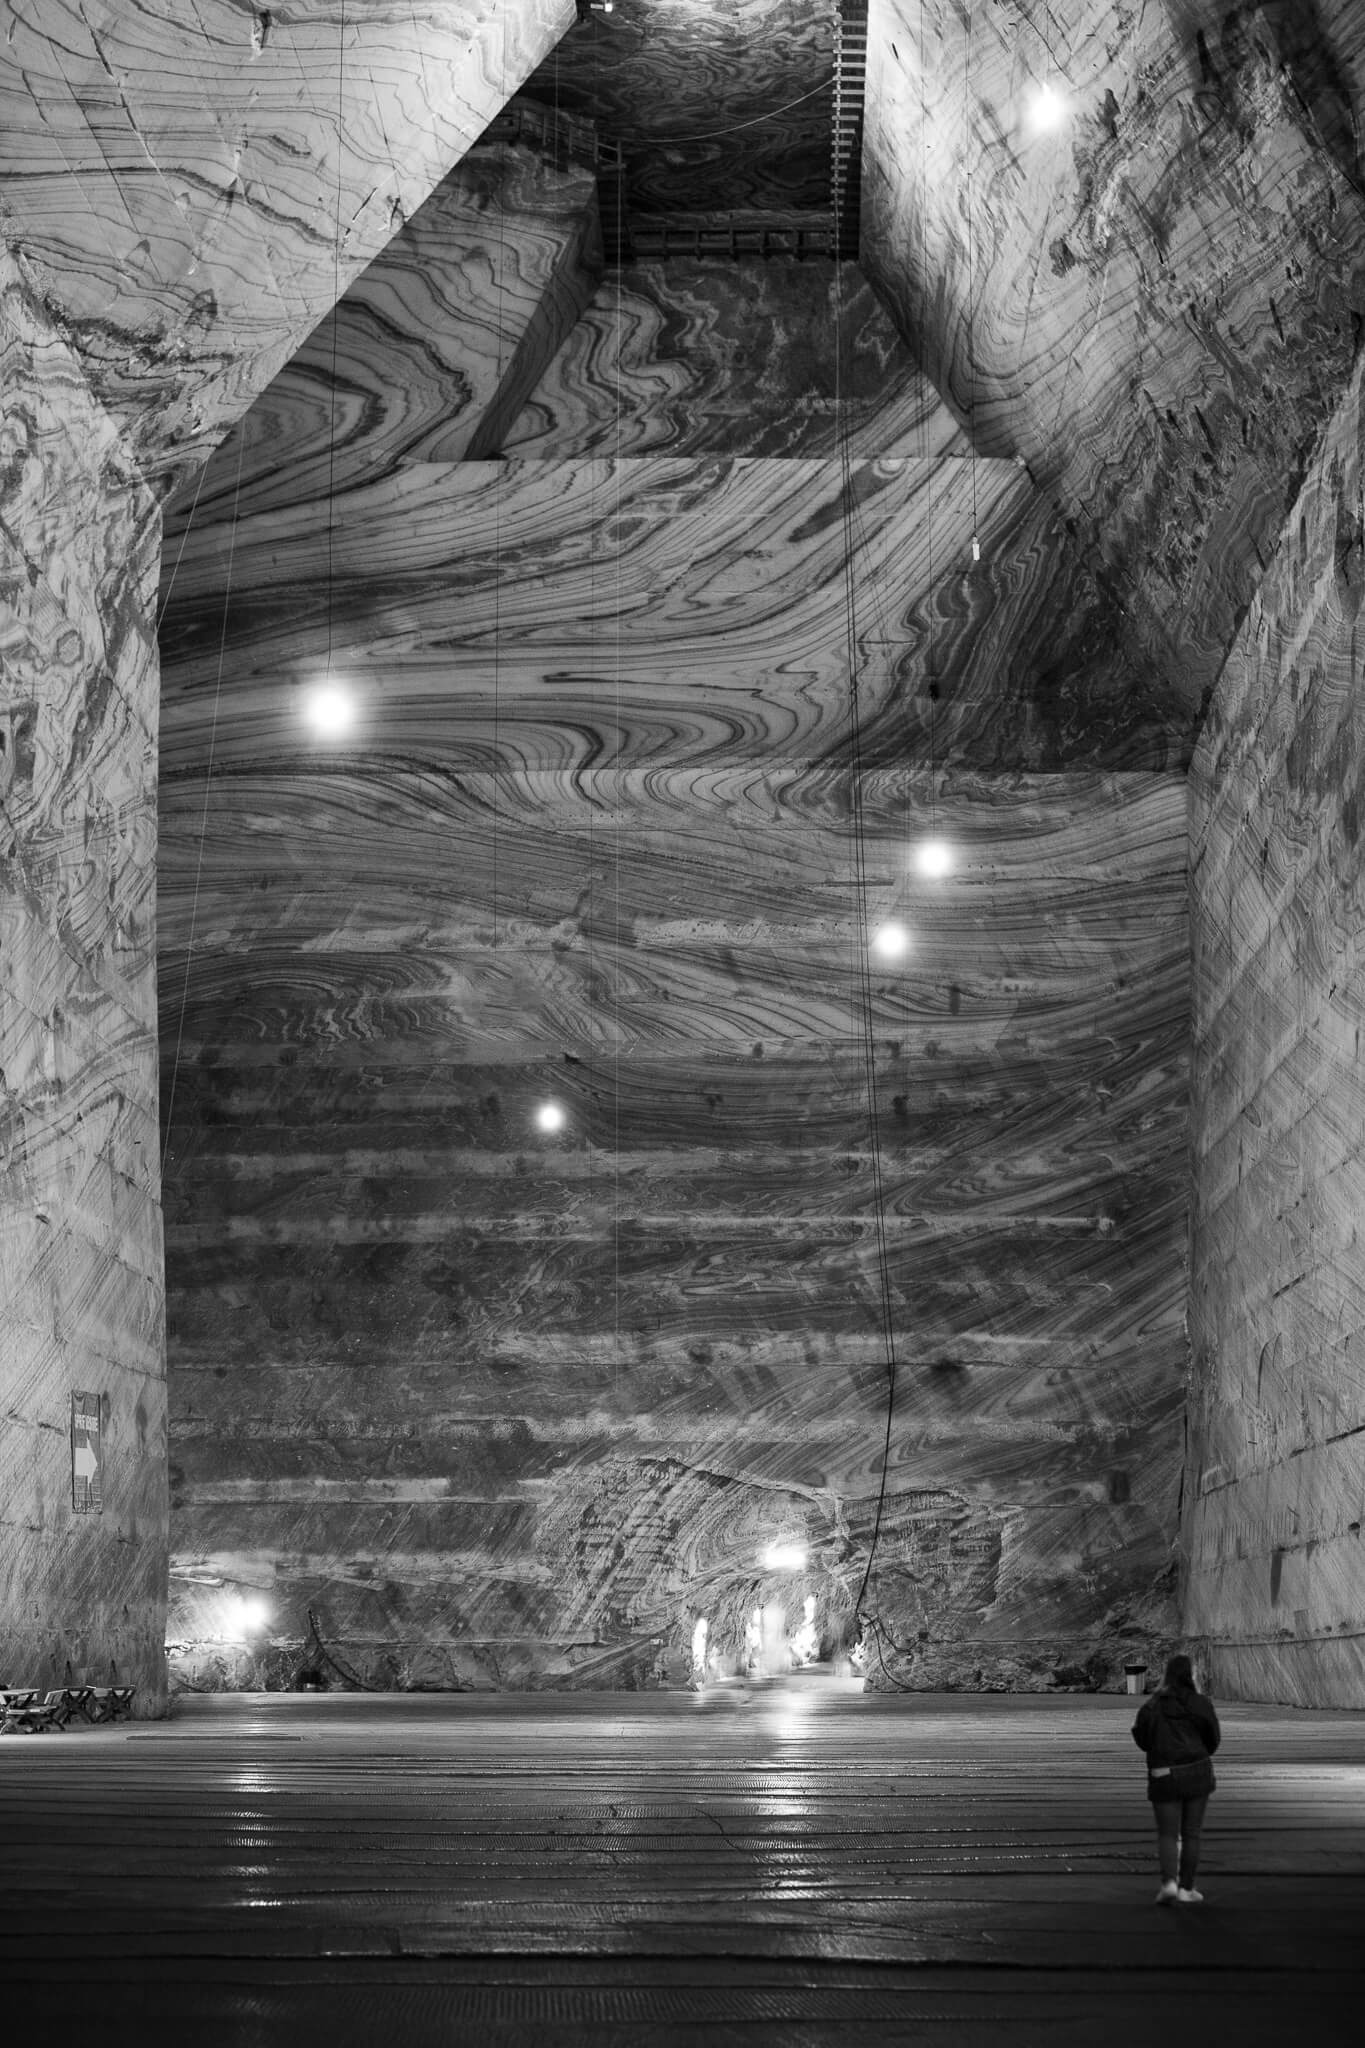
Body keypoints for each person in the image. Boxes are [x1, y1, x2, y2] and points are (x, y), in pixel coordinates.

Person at [1132, 1652, 1220, 1904]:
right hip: (1197, 1771)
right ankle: (1187, 1888)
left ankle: (1169, 1883)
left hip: (1164, 1773)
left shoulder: (1152, 1705)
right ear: (1191, 1675)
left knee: (1168, 1834)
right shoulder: (1201, 1703)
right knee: (1192, 1833)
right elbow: (1213, 1739)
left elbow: (1142, 1738)